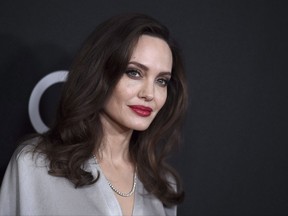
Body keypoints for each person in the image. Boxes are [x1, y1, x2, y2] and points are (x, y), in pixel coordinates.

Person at [0, 13, 188, 216]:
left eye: (161, 81)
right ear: (100, 74)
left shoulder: (162, 183)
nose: (149, 94)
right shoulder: (34, 164)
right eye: (134, 72)